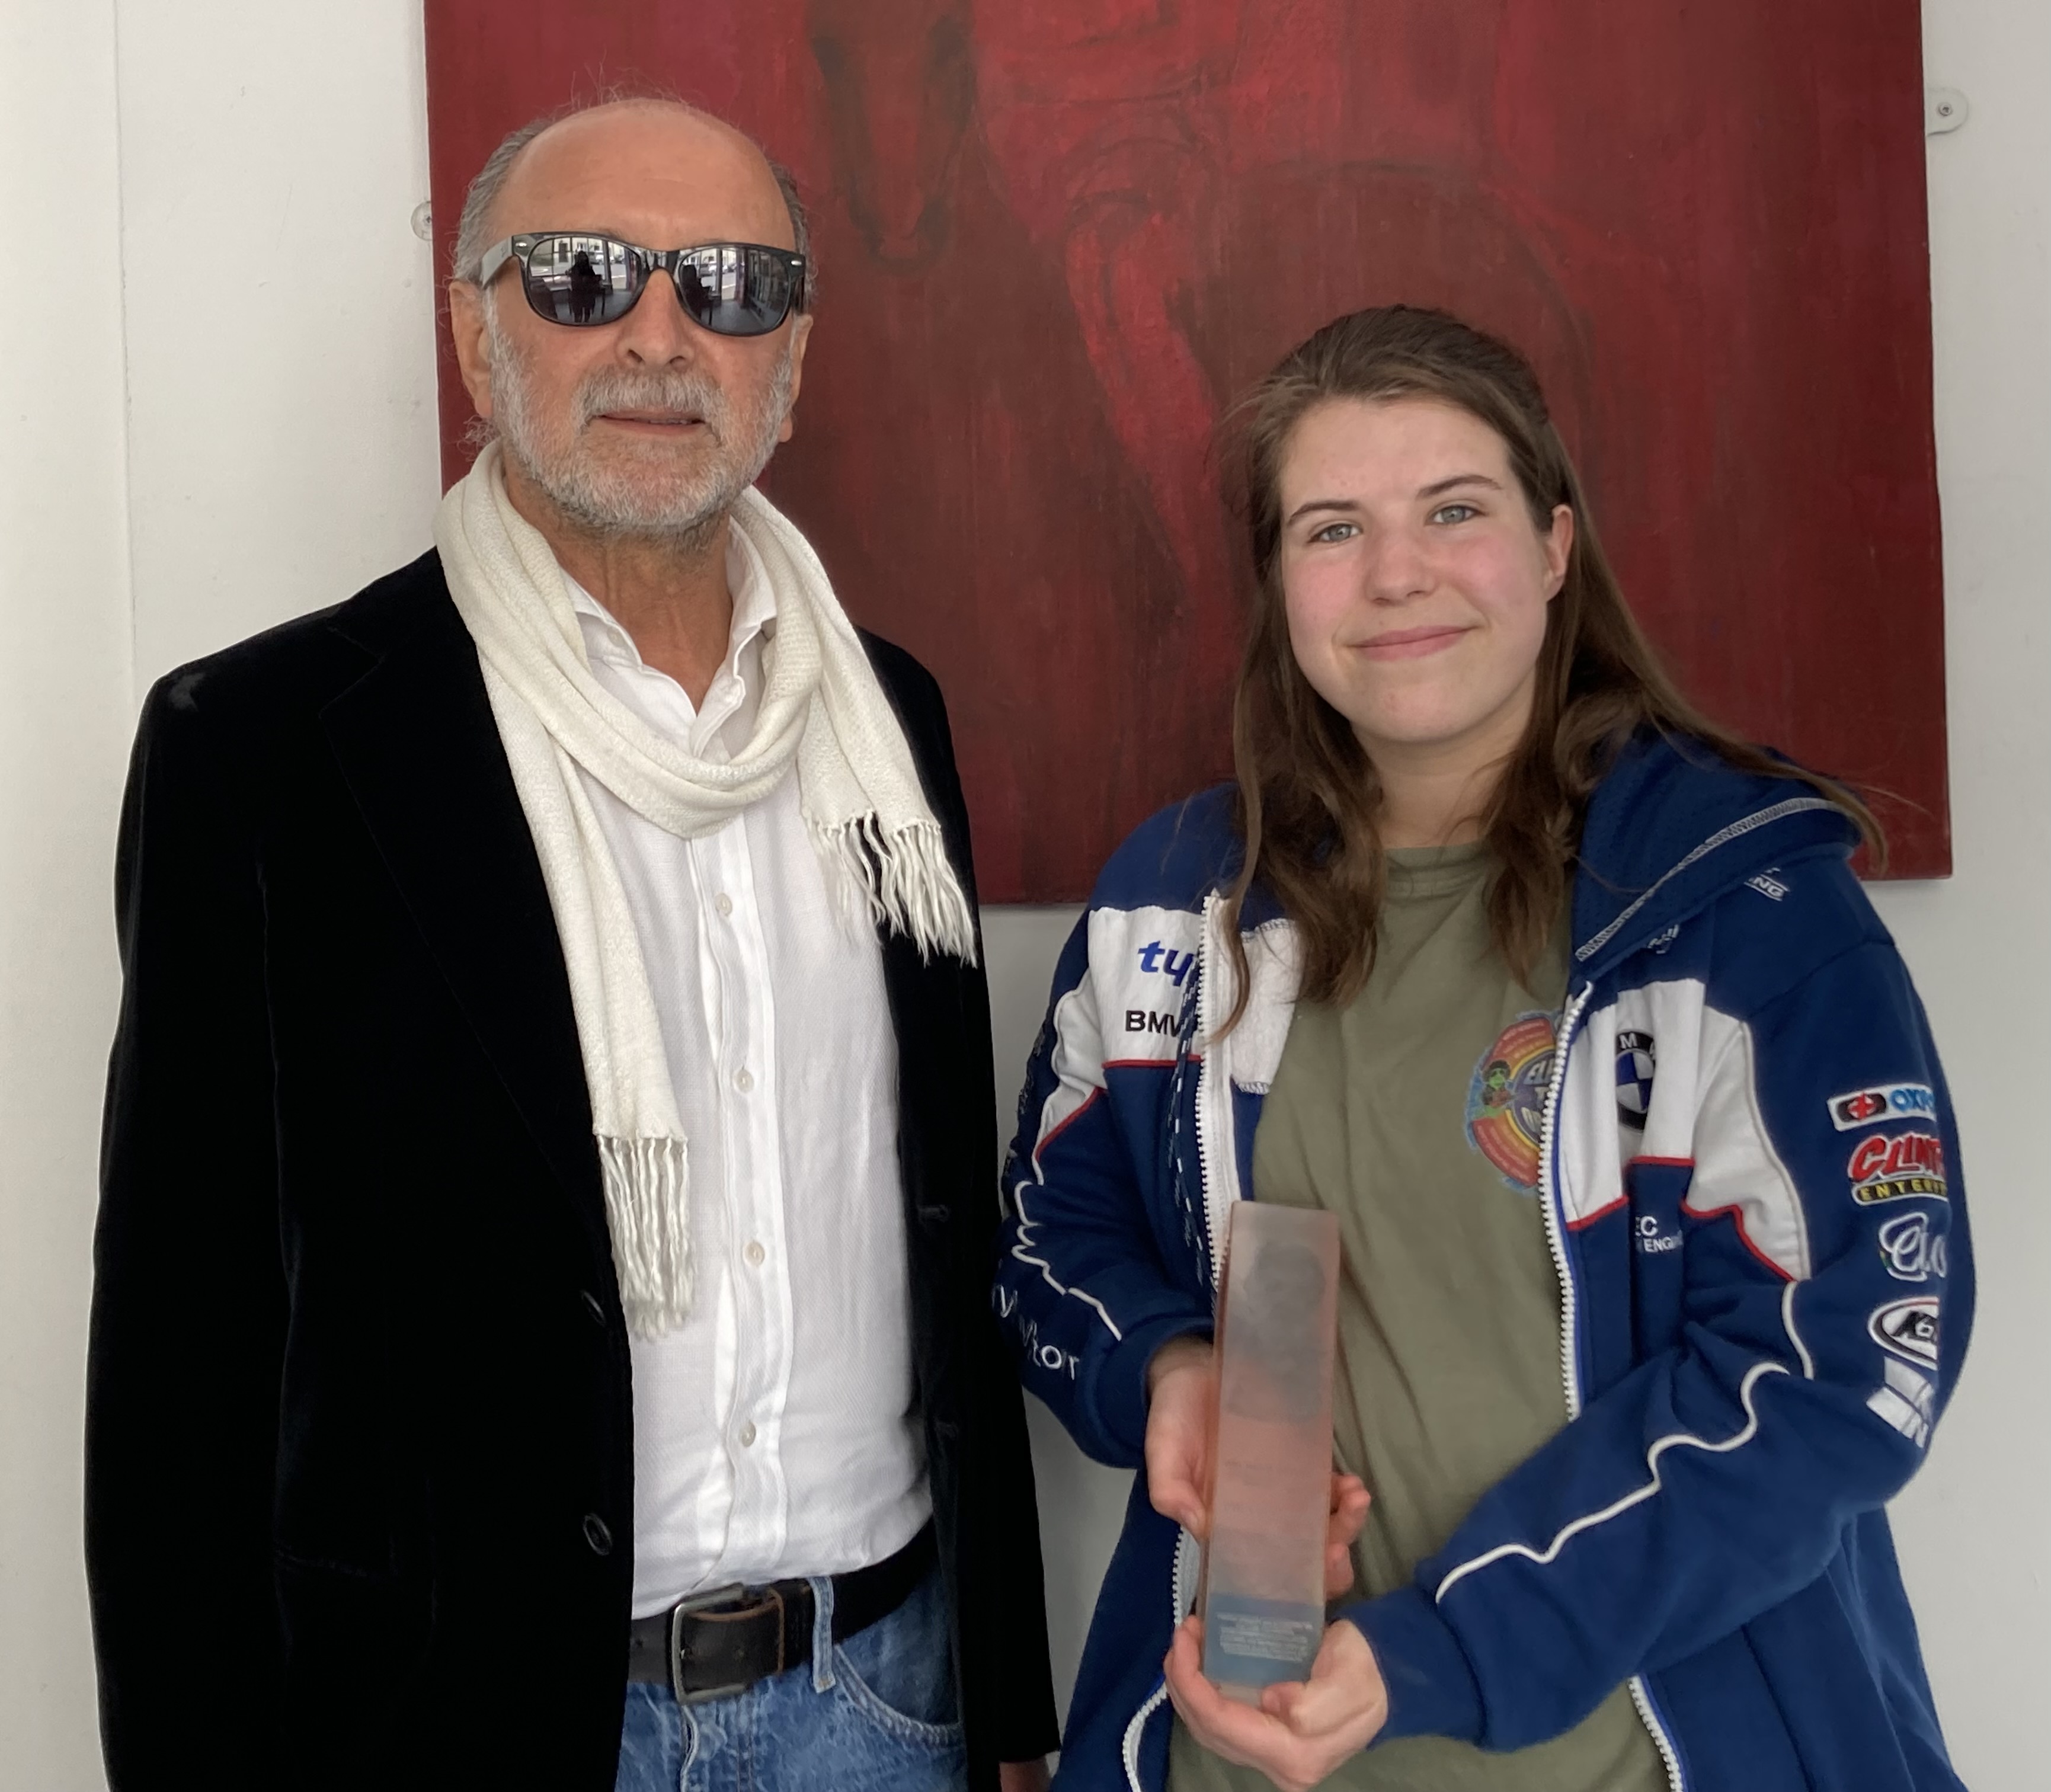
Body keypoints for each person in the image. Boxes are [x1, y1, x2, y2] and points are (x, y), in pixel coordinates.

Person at [87, 95, 1056, 1792]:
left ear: (791, 360)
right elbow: (184, 1363)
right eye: (583, 277)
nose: (660, 338)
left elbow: (941, 1234)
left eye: (729, 287)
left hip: (891, 1698)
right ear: (478, 337)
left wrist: (1009, 1702)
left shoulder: (885, 721)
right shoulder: (266, 749)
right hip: (471, 1727)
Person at [998, 305, 1967, 1791]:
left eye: (1455, 511)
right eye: (1333, 530)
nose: (1397, 575)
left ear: (1556, 547)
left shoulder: (1749, 918)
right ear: (1279, 580)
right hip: (1234, 1752)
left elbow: (1841, 1373)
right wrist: (1166, 1368)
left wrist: (1442, 1652)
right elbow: (1048, 1235)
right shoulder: (1171, 903)